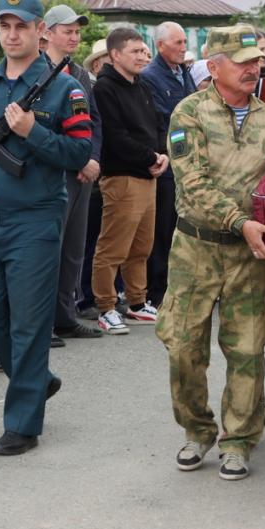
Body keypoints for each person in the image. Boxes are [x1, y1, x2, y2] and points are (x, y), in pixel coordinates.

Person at [0, 0, 91, 456]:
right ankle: (37, 379)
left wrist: (34, 132)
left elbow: (79, 153)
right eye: (4, 26)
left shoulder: (64, 87)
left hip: (36, 217)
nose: (12, 34)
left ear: (39, 31)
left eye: (21, 26)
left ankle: (22, 423)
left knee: (28, 321)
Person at [155, 24, 265, 481]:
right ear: (214, 67)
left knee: (248, 350)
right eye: (244, 62)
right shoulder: (187, 114)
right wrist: (239, 221)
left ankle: (238, 440)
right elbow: (193, 183)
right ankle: (197, 430)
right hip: (195, 250)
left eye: (257, 62)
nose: (254, 69)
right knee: (184, 347)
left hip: (250, 255)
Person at [91, 27, 166, 335]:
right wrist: (150, 158)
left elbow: (158, 124)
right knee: (112, 248)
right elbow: (115, 136)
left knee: (141, 246)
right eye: (135, 51)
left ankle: (137, 302)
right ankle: (106, 307)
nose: (143, 56)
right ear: (115, 55)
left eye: (143, 51)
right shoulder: (105, 88)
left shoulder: (141, 84)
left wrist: (162, 154)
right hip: (121, 177)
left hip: (149, 176)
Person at [41, 4, 104, 343]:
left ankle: (65, 316)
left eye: (77, 31)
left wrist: (92, 157)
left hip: (81, 174)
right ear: (47, 33)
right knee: (49, 249)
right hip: (53, 173)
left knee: (74, 249)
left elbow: (93, 119)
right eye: (68, 31)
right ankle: (43, 321)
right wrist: (76, 159)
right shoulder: (35, 71)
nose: (75, 36)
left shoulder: (78, 72)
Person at [141, 22, 196, 309]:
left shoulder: (183, 72)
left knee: (181, 229)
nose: (184, 46)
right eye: (177, 42)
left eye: (185, 41)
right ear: (160, 45)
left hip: (187, 161)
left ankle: (178, 286)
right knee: (162, 231)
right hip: (166, 161)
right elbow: (165, 118)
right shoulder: (150, 77)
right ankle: (157, 290)